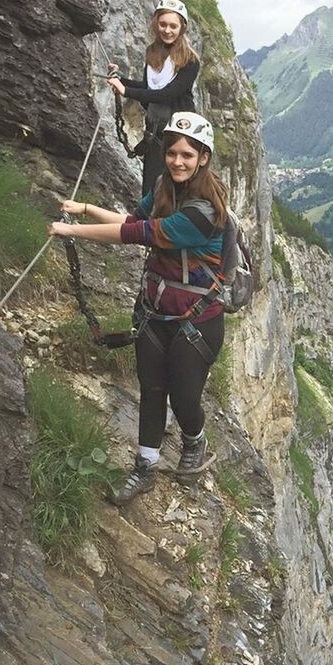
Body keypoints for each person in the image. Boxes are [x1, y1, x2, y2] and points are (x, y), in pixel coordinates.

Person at [49, 112, 226, 504]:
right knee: (151, 389)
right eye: (172, 153)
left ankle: (194, 438)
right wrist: (87, 209)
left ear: (203, 159)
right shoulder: (164, 187)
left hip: (197, 321)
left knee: (183, 399)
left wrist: (71, 230)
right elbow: (133, 220)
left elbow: (137, 235)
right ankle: (144, 466)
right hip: (155, 312)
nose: (177, 161)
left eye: (187, 155)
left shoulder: (204, 211)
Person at [107, 0, 200, 195]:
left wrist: (126, 90)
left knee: (175, 192)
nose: (167, 30)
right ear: (156, 24)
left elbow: (167, 94)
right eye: (163, 24)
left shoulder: (190, 61)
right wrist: (120, 80)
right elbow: (149, 90)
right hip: (157, 135)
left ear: (181, 28)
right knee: (152, 192)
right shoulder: (153, 54)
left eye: (173, 26)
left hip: (179, 137)